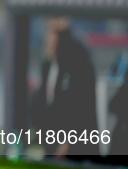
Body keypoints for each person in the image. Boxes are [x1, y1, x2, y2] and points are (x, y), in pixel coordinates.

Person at [29, 16, 100, 159]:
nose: (50, 39)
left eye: (55, 34)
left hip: (77, 149)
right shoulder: (47, 67)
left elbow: (80, 108)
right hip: (51, 145)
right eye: (49, 32)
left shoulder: (77, 65)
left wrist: (68, 141)